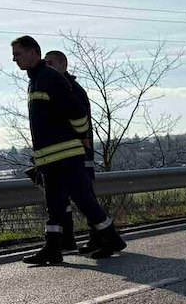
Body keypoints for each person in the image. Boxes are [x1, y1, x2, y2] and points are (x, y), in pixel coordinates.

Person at [11, 36, 125, 265]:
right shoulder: (35, 80)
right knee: (54, 205)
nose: (14, 59)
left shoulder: (50, 78)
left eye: (18, 54)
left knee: (83, 199)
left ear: (34, 52)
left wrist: (77, 139)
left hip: (66, 156)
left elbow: (79, 114)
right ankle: (53, 248)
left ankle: (110, 238)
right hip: (49, 158)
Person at [45, 50, 102, 255]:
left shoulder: (70, 89)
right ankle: (67, 239)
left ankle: (100, 237)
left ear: (63, 64)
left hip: (78, 154)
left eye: (51, 62)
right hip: (64, 155)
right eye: (45, 63)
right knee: (63, 199)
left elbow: (78, 120)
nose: (47, 66)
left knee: (85, 198)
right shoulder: (57, 87)